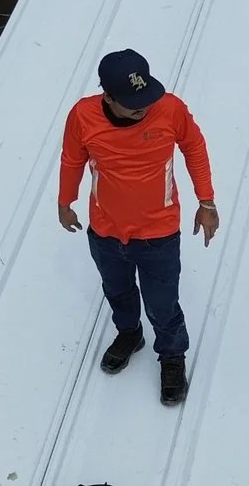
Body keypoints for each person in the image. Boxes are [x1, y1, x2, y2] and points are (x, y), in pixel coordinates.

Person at [58, 49, 219, 407]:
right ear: (108, 96)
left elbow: (194, 147)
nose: (142, 107)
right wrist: (65, 202)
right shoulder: (82, 116)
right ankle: (130, 335)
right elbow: (72, 159)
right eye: (132, 102)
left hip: (158, 233)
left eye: (145, 96)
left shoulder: (170, 109)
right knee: (117, 291)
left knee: (163, 304)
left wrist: (206, 202)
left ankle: (172, 357)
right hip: (105, 229)